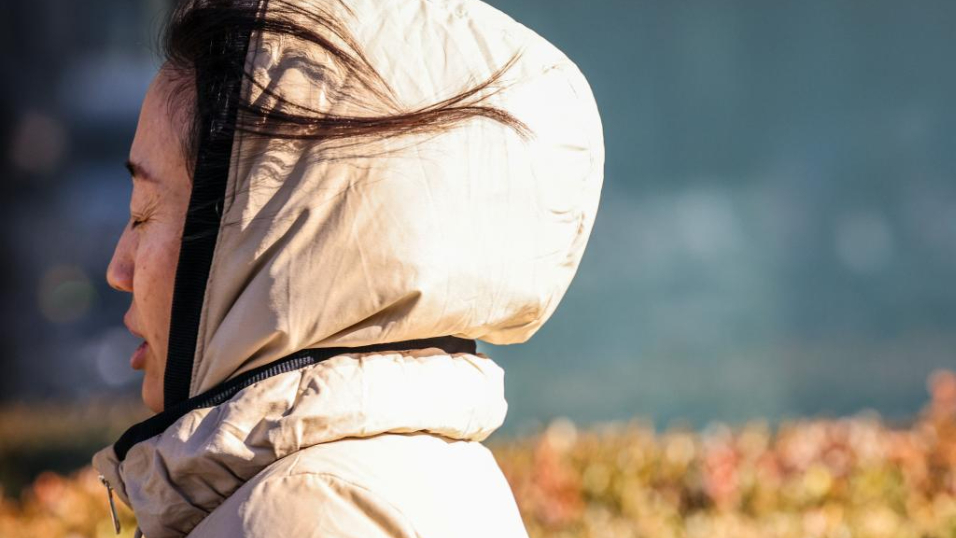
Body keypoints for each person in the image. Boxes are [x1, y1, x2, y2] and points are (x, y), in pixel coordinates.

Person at [91, 0, 604, 536]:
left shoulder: (300, 512)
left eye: (143, 213)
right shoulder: (388, 479)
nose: (118, 270)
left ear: (276, 233)